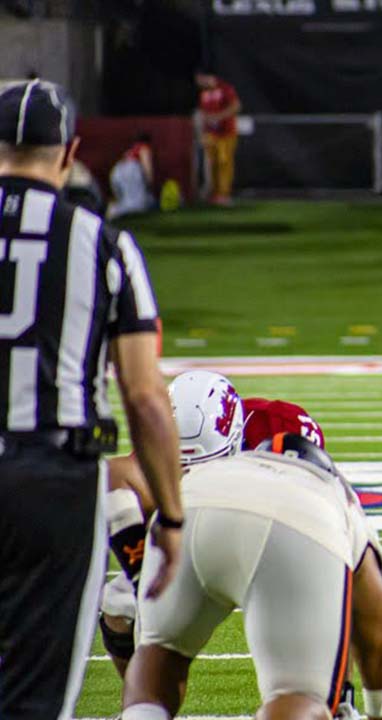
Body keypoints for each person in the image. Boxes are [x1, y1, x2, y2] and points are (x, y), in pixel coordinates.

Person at [0, 79, 184, 719]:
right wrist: (174, 520)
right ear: (68, 150)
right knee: (34, 694)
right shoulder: (101, 241)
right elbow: (144, 395)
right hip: (55, 477)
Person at [122, 432, 382, 720]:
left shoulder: (227, 465)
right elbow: (380, 657)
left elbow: (115, 474)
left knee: (160, 654)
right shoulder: (335, 494)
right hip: (299, 517)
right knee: (298, 693)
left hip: (190, 502)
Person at [195, 70, 240, 206]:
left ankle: (224, 194)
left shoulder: (225, 88)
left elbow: (236, 106)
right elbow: (203, 113)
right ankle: (214, 194)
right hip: (211, 134)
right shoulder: (204, 93)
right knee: (212, 164)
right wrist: (202, 132)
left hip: (226, 133)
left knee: (224, 163)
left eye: (199, 79)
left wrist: (219, 116)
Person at [107, 132, 155, 220]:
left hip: (118, 170)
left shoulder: (131, 150)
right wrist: (149, 180)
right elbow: (146, 165)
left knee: (126, 199)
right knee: (135, 204)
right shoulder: (144, 148)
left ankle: (115, 209)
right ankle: (116, 211)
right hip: (131, 171)